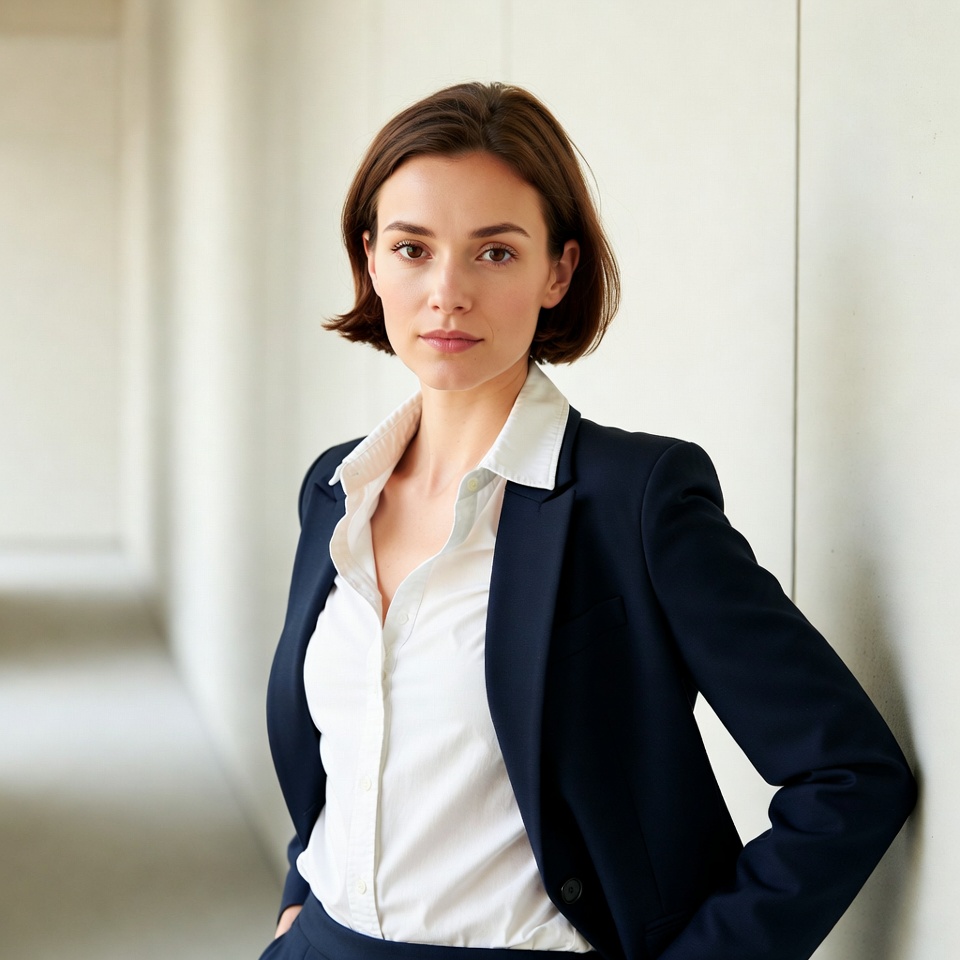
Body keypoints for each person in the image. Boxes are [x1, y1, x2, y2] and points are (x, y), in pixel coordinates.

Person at [261, 82, 916, 960]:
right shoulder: (336, 490)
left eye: (494, 253)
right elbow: (341, 750)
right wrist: (303, 896)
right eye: (413, 248)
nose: (446, 292)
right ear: (370, 260)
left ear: (557, 272)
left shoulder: (635, 501)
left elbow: (849, 776)